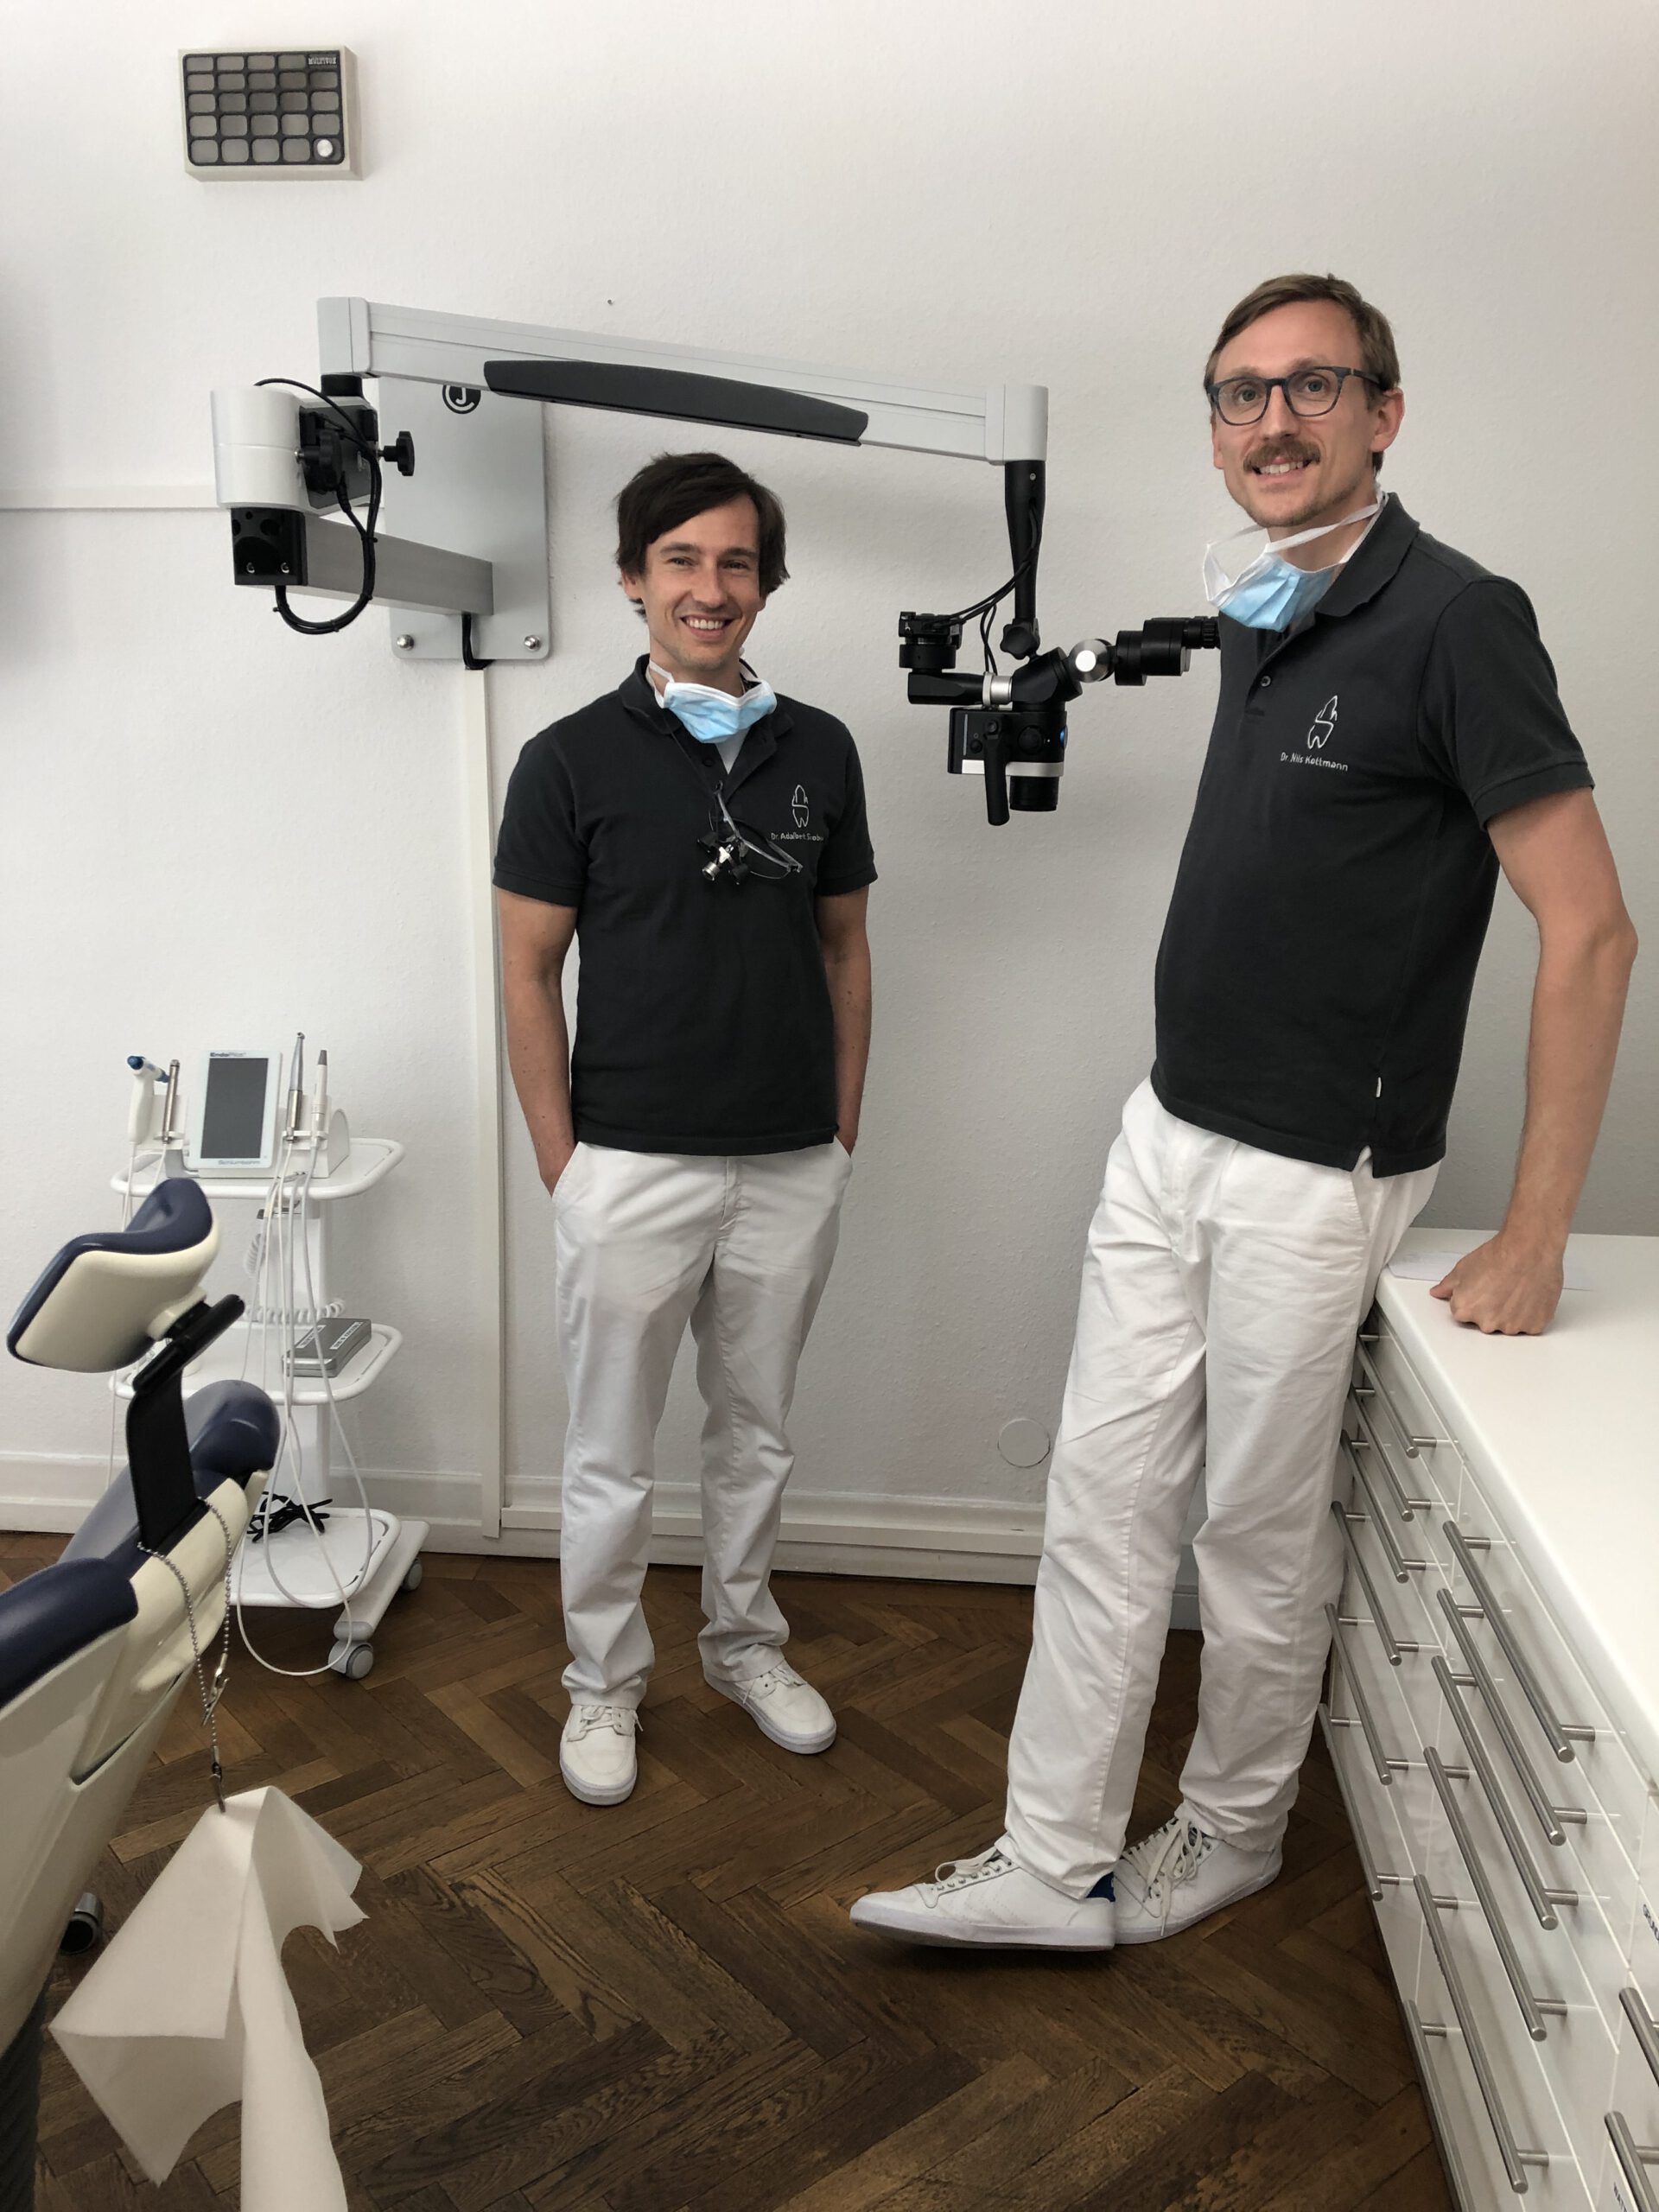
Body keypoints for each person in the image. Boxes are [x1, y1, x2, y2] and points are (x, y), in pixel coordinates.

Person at [852, 272, 1637, 1950]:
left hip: (1315, 1163)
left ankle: (1233, 1828)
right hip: (1171, 1125)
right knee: (1102, 1499)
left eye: (1311, 385)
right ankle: (1051, 1858)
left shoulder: (1461, 619)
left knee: (1256, 1530)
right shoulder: (1267, 611)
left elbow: (1590, 928)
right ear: (1215, 428)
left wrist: (1538, 1232)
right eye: (1238, 393)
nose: (1271, 420)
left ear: (1384, 412)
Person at [494, 450, 875, 1807]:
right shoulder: (568, 760)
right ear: (632, 579)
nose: (710, 587)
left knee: (755, 1430)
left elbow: (844, 947)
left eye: (735, 562)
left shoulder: (818, 749)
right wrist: (565, 1164)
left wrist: (838, 1128)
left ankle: (743, 1644)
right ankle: (603, 1681)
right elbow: (528, 968)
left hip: (788, 1160)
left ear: (765, 583)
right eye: (681, 560)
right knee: (610, 1452)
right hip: (629, 1163)